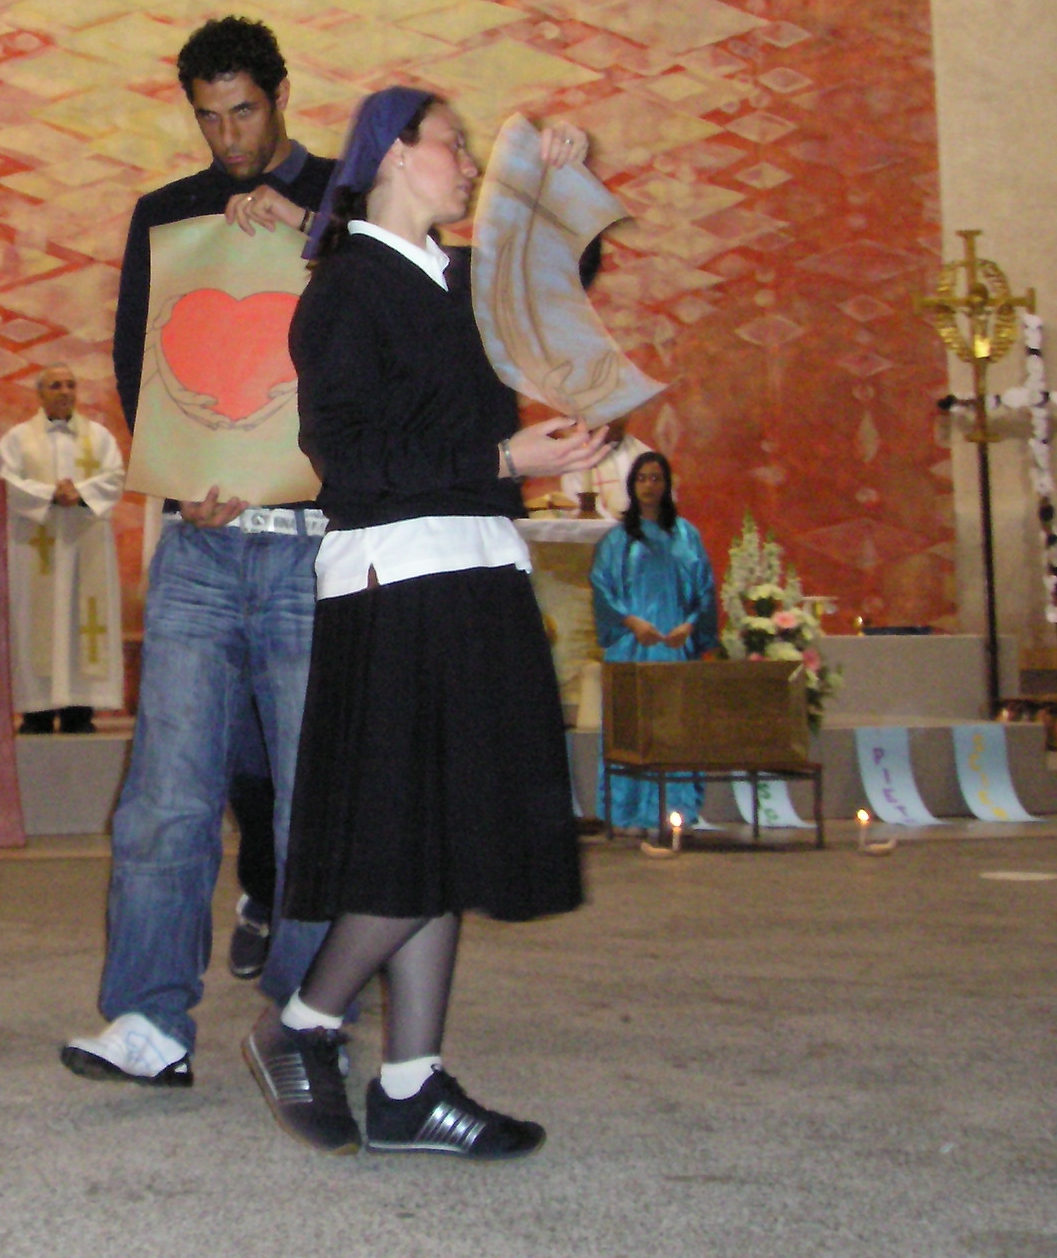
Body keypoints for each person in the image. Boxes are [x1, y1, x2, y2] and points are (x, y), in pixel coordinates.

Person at [255, 85, 605, 1159]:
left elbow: (560, 272)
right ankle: (304, 1023)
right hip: (397, 584)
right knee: (418, 839)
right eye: (455, 145)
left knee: (447, 834)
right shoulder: (343, 292)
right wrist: (504, 457)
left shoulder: (458, 279)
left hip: (476, 567)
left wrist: (558, 179)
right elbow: (349, 461)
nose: (469, 164)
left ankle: (408, 1083)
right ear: (394, 155)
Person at [61, 16, 332, 1087]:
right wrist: (183, 471)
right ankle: (147, 1017)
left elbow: (392, 321)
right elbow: (141, 364)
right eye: (209, 118)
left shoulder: (343, 203)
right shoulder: (165, 213)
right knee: (163, 793)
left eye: (244, 112)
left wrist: (317, 229)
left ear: (279, 95)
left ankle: (310, 1009)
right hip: (200, 548)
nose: (228, 138)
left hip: (312, 545)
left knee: (317, 792)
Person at [0, 363, 127, 736]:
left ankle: (79, 711)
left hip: (85, 546)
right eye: (55, 385)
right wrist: (49, 493)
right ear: (40, 393)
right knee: (37, 623)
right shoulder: (18, 439)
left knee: (82, 621)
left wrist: (80, 493)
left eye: (70, 384)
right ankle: (37, 712)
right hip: (38, 549)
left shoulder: (99, 437)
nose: (65, 391)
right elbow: (1, 480)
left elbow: (115, 476)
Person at [590, 449, 718, 831]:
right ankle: (627, 811)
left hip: (675, 648)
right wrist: (631, 622)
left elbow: (706, 591)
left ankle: (674, 810)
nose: (649, 485)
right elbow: (602, 588)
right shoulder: (617, 540)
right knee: (631, 729)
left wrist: (690, 626)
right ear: (632, 485)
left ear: (667, 485)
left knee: (675, 729)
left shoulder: (687, 536)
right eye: (642, 478)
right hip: (632, 647)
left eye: (656, 478)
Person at [558, 414, 659, 519]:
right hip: (599, 527)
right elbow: (576, 503)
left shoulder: (645, 454)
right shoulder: (580, 457)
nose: (616, 420)